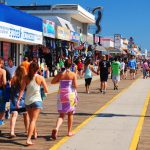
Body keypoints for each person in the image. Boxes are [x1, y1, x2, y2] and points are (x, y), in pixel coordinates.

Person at [17, 62, 48, 146]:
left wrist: (18, 100)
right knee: (33, 120)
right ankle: (28, 139)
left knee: (32, 120)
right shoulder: (40, 78)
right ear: (38, 69)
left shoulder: (25, 77)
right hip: (37, 101)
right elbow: (46, 90)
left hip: (27, 101)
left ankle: (35, 133)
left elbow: (22, 90)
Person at [51, 59, 78, 140]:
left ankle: (56, 128)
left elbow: (52, 81)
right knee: (70, 113)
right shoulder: (73, 74)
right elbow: (76, 86)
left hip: (61, 93)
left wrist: (60, 81)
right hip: (70, 94)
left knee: (62, 115)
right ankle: (69, 131)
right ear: (71, 66)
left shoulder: (60, 74)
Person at [10, 66, 29, 138]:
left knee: (14, 115)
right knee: (25, 115)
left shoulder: (13, 79)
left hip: (14, 99)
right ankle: (27, 130)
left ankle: (12, 131)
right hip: (23, 99)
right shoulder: (25, 79)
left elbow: (11, 88)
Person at [0, 58, 6, 125]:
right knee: (2, 108)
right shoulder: (3, 71)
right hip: (1, 90)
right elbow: (4, 82)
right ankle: (0, 121)